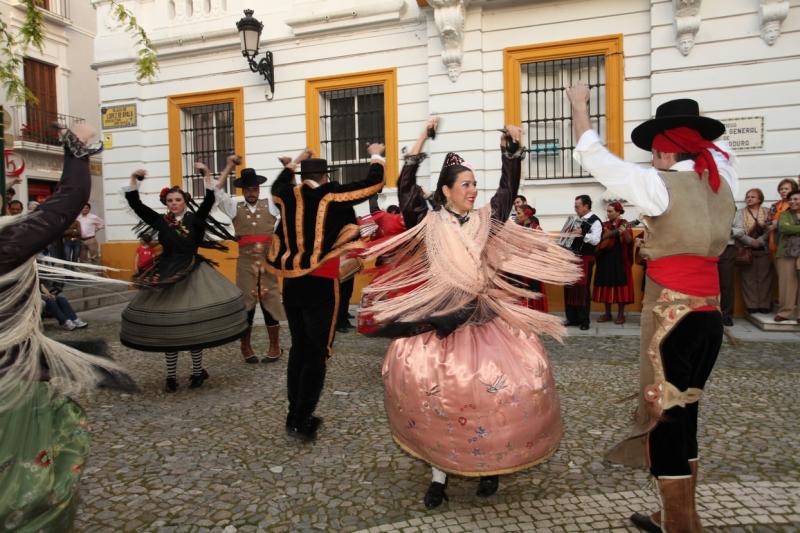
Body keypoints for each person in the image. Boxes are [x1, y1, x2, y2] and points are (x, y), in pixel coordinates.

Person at [360, 118, 579, 509]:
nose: (473, 191)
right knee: (439, 402)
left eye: (475, 185)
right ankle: (438, 474)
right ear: (445, 191)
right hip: (439, 328)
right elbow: (405, 186)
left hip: (484, 325)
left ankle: (490, 464)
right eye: (466, 185)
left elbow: (507, 192)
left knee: (491, 395)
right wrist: (422, 138)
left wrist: (510, 152)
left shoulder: (484, 221)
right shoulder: (428, 223)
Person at [567, 82, 737, 532]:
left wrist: (580, 105)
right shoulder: (724, 183)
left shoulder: (656, 185)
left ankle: (679, 525)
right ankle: (681, 514)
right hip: (709, 317)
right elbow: (721, 152)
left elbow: (593, 155)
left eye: (654, 153)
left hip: (671, 319)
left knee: (665, 417)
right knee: (689, 409)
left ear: (662, 152)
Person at [0, 125, 129, 530]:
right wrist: (77, 148)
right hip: (11, 390)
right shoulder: (8, 245)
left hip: (17, 373)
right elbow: (67, 202)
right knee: (25, 489)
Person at [268, 146, 385, 441]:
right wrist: (376, 156)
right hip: (321, 282)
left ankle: (293, 412)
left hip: (292, 283)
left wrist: (291, 164)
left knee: (298, 349)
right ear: (324, 176)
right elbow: (372, 185)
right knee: (318, 353)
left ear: (303, 176)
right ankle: (301, 420)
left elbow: (278, 185)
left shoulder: (287, 196)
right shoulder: (330, 195)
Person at [120, 166, 248, 392]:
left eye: (177, 199)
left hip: (192, 273)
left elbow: (209, 199)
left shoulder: (195, 220)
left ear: (185, 201)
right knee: (172, 328)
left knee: (192, 328)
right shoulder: (160, 222)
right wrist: (134, 179)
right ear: (166, 203)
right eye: (170, 200)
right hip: (167, 274)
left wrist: (206, 173)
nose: (173, 203)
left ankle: (197, 372)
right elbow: (136, 205)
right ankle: (171, 377)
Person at [213, 155, 287, 364]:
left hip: (267, 261)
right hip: (245, 264)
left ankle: (275, 346)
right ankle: (246, 346)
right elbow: (217, 191)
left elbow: (288, 194)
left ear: (259, 189)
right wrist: (228, 165)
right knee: (247, 304)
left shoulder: (271, 206)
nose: (251, 192)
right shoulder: (234, 207)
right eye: (247, 189)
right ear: (242, 190)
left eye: (254, 188)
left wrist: (287, 168)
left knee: (270, 302)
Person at [562, 194, 602, 330]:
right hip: (572, 257)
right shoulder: (575, 220)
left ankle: (584, 320)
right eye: (575, 206)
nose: (575, 209)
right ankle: (572, 318)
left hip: (585, 258)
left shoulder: (595, 221)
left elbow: (596, 240)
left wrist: (583, 234)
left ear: (586, 206)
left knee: (582, 290)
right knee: (569, 287)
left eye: (577, 207)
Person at [592, 201, 635, 324]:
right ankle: (607, 313)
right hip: (605, 260)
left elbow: (629, 241)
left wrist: (624, 231)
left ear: (618, 212)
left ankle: (621, 314)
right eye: (607, 211)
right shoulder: (604, 225)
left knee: (620, 285)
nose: (608, 213)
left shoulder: (625, 224)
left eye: (610, 211)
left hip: (619, 260)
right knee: (606, 284)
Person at [732, 188, 773, 314]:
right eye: (747, 196)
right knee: (748, 279)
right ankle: (752, 305)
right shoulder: (739, 213)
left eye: (753, 197)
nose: (749, 199)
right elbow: (737, 231)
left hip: (764, 249)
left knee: (765, 278)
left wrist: (760, 241)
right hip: (746, 250)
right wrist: (750, 241)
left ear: (760, 199)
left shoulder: (767, 212)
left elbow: (770, 229)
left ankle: (764, 305)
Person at [511, 204, 548, 312]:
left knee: (533, 291)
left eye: (519, 213)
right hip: (521, 267)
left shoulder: (536, 228)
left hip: (533, 267)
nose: (516, 216)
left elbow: (544, 247)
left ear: (526, 215)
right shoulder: (519, 228)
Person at [774, 190, 800, 323]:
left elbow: (790, 229)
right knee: (786, 284)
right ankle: (785, 312)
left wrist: (793, 228)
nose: (793, 202)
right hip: (786, 253)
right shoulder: (785, 214)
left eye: (796, 199)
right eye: (791, 199)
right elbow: (783, 228)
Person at [768, 179, 799, 255]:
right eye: (781, 189)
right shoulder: (774, 205)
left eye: (786, 189)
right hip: (776, 238)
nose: (783, 191)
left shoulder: (796, 205)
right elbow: (768, 223)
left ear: (793, 190)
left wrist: (778, 223)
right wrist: (771, 240)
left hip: (794, 240)